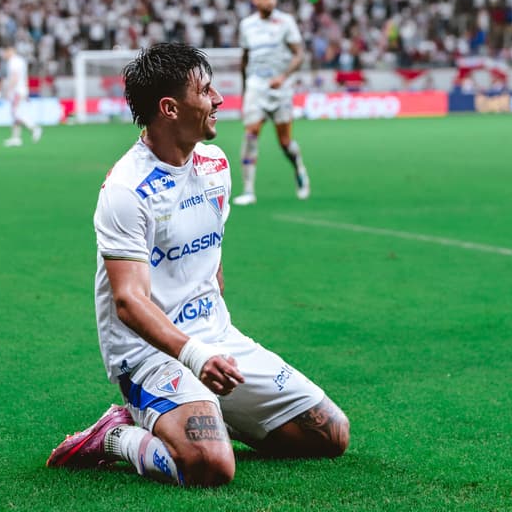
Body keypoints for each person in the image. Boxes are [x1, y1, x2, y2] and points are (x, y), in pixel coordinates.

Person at [46, 43, 349, 487]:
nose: (219, 99)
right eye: (205, 91)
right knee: (210, 466)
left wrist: (214, 340)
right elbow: (128, 301)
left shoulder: (215, 165)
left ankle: (204, 414)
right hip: (149, 355)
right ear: (170, 108)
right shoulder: (126, 190)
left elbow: (210, 262)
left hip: (215, 340)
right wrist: (195, 354)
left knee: (330, 433)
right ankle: (115, 436)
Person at [234, 0, 310, 206]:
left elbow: (299, 54)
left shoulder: (286, 22)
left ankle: (299, 167)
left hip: (280, 88)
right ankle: (248, 190)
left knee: (284, 141)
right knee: (251, 134)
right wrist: (245, 90)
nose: (271, 1)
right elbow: (245, 58)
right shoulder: (247, 25)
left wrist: (283, 77)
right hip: (256, 86)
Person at [2, 46, 42, 147]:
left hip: (17, 91)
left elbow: (15, 77)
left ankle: (34, 128)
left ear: (10, 51)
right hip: (22, 89)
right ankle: (16, 138)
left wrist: (9, 90)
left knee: (16, 113)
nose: (4, 55)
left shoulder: (13, 62)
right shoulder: (20, 61)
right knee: (16, 113)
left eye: (5, 52)